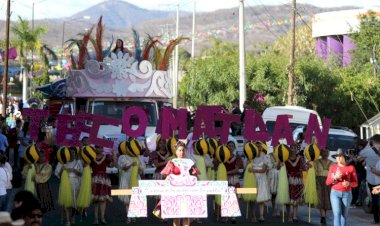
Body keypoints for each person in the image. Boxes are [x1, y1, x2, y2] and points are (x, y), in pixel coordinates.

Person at [160, 141, 199, 226]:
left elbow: (195, 176)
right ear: (176, 151)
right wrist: (163, 187)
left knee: (186, 215)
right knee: (176, 215)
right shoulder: (172, 162)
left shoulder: (189, 162)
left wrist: (198, 188)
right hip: (175, 191)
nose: (181, 152)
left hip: (187, 191)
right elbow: (168, 176)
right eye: (180, 150)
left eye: (183, 150)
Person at [326, 148, 358, 226]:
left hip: (347, 193)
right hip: (335, 193)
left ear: (344, 157)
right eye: (337, 156)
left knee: (344, 215)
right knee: (337, 214)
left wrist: (349, 183)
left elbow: (356, 183)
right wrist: (335, 177)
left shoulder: (351, 168)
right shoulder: (333, 167)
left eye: (341, 156)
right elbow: (327, 182)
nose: (339, 158)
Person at [55, 147, 83, 226]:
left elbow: (81, 174)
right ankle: (68, 220)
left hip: (75, 185)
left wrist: (74, 171)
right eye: (70, 152)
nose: (72, 154)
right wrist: (62, 170)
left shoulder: (78, 162)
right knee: (66, 203)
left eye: (73, 152)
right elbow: (58, 175)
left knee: (73, 203)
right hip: (65, 185)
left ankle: (73, 217)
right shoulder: (62, 162)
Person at [117, 145, 146, 224]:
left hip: (136, 178)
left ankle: (132, 215)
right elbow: (123, 168)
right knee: (127, 198)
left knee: (134, 197)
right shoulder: (123, 157)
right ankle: (129, 217)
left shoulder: (138, 157)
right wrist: (131, 164)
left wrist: (139, 168)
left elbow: (142, 170)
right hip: (126, 178)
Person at [359, 134, 380, 224]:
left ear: (373, 141)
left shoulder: (369, 151)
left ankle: (376, 219)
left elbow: (361, 154)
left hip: (373, 179)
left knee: (375, 199)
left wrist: (368, 145)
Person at [285, 145, 309, 222]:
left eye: (296, 148)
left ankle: (294, 216)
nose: (294, 149)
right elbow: (291, 166)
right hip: (289, 180)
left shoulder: (301, 159)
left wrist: (308, 165)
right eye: (293, 148)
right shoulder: (286, 159)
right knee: (291, 199)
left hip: (298, 179)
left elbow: (304, 168)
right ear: (289, 149)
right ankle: (290, 216)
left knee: (296, 198)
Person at [248, 143, 271, 223]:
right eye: (257, 147)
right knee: (252, 199)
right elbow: (246, 168)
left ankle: (261, 216)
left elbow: (263, 170)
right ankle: (253, 216)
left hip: (261, 180)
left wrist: (253, 170)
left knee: (261, 198)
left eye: (260, 147)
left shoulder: (265, 157)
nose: (259, 148)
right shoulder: (250, 158)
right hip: (252, 179)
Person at [91, 145, 113, 225]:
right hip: (94, 179)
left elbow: (111, 165)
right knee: (96, 200)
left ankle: (102, 218)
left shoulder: (106, 157)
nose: (99, 149)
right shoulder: (91, 157)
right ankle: (96, 219)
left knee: (103, 199)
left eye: (100, 147)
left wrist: (113, 156)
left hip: (104, 180)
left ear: (103, 148)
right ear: (95, 148)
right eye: (97, 147)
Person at [314, 148, 333, 225]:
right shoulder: (316, 162)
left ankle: (323, 216)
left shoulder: (332, 163)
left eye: (327, 152)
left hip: (328, 182)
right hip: (319, 181)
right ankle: (323, 216)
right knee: (321, 199)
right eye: (324, 152)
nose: (326, 153)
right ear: (321, 153)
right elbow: (314, 172)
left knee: (326, 199)